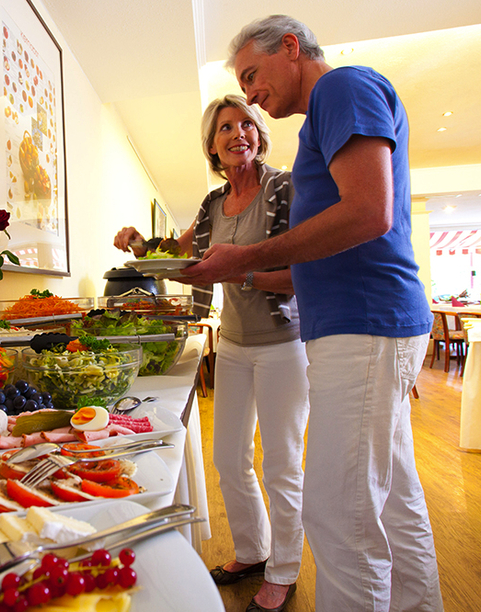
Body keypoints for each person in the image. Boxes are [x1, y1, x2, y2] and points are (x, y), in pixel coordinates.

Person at [179, 15, 444, 612]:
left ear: (291, 48)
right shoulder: (324, 112)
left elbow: (369, 212)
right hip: (357, 326)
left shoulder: (342, 88)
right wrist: (230, 266)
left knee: (337, 511)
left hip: (365, 324)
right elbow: (317, 252)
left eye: (251, 75)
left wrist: (244, 258)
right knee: (395, 502)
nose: (249, 94)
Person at [115, 94, 310, 612]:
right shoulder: (211, 205)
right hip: (236, 346)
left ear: (260, 135)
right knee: (229, 458)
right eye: (225, 127)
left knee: (283, 466)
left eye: (247, 123)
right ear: (212, 145)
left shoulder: (284, 188)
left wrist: (240, 271)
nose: (237, 133)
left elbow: (303, 273)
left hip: (285, 345)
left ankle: (284, 570)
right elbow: (178, 256)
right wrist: (139, 244)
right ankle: (254, 549)